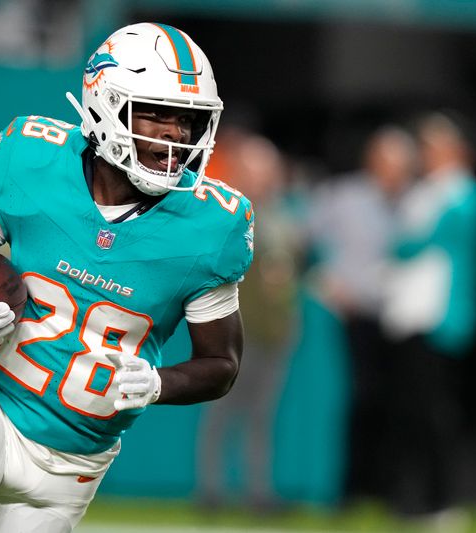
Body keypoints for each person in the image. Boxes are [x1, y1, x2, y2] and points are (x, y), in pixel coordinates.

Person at [0, 22, 253, 533]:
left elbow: (220, 363)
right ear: (105, 105)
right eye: (157, 114)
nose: (175, 134)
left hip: (75, 464)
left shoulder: (211, 227)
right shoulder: (34, 162)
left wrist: (160, 382)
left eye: (187, 119)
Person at [380, 112, 476, 525]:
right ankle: (416, 499)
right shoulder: (432, 191)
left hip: (440, 317)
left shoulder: (461, 194)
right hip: (414, 318)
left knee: (433, 413)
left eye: (433, 147)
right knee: (412, 411)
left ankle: (441, 502)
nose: (426, 155)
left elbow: (414, 243)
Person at [307, 126, 417, 500]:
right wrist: (326, 284)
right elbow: (302, 242)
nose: (395, 171)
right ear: (372, 160)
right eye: (388, 161)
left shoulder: (415, 202)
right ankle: (351, 488)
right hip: (354, 315)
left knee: (397, 404)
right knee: (360, 399)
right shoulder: (344, 195)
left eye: (402, 164)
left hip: (401, 317)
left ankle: (387, 488)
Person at [196, 124, 299, 512]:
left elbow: (290, 269)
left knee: (260, 416)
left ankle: (258, 492)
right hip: (238, 328)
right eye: (256, 169)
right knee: (223, 412)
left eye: (267, 169)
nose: (263, 177)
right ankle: (211, 490)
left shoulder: (283, 214)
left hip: (275, 330)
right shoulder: (230, 213)